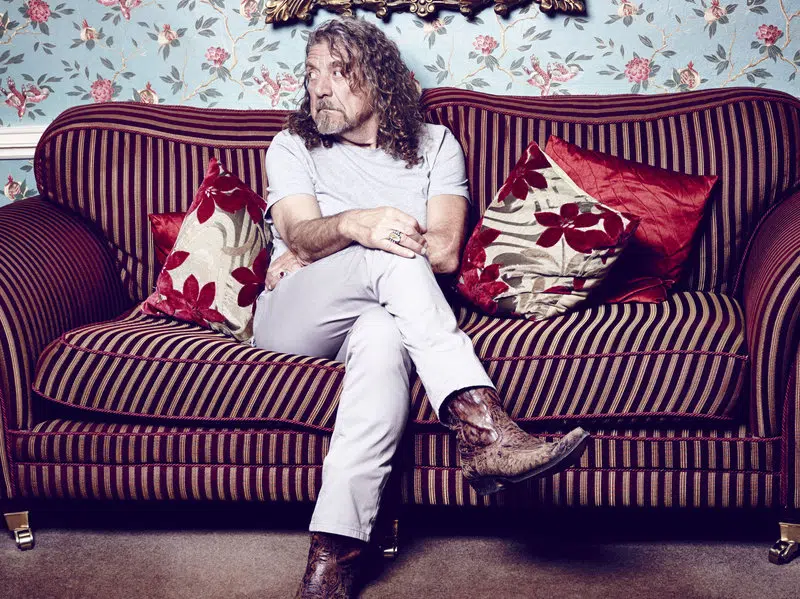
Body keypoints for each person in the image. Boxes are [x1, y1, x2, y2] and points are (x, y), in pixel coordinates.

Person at [252, 17, 590, 599]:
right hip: (298, 313)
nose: (319, 88)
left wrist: (362, 238)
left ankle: (334, 553)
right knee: (392, 256)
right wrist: (358, 225)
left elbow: (445, 251)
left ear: (379, 79)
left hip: (381, 313)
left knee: (385, 336)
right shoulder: (292, 145)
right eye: (311, 74)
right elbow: (301, 236)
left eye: (338, 71)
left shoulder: (436, 145)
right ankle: (484, 431)